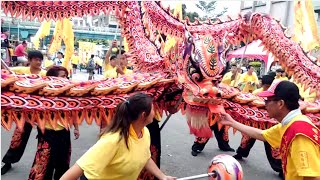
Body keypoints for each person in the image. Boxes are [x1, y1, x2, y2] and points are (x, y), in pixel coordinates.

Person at [60, 93, 175, 180]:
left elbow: (145, 157)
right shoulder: (113, 140)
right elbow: (72, 173)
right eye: (153, 109)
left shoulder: (144, 132)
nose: (155, 112)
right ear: (143, 115)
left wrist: (162, 176)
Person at [219, 80, 320, 180]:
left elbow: (312, 177)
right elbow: (263, 135)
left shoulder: (299, 134)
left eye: (267, 101)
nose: (265, 104)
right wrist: (232, 122)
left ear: (280, 104)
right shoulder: (289, 124)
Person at [28, 66, 80, 180]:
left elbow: (74, 111)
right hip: (47, 133)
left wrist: (76, 128)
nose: (66, 78)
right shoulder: (43, 93)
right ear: (52, 78)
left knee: (63, 162)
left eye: (66, 76)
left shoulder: (69, 94)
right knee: (44, 162)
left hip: (64, 132)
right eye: (62, 76)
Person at [1, 50, 46, 175]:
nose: (38, 62)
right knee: (18, 137)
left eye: (40, 59)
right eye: (36, 59)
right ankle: (8, 162)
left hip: (42, 111)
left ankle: (42, 165)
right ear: (30, 60)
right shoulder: (22, 71)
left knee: (45, 139)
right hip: (25, 111)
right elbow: (5, 71)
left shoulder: (45, 74)